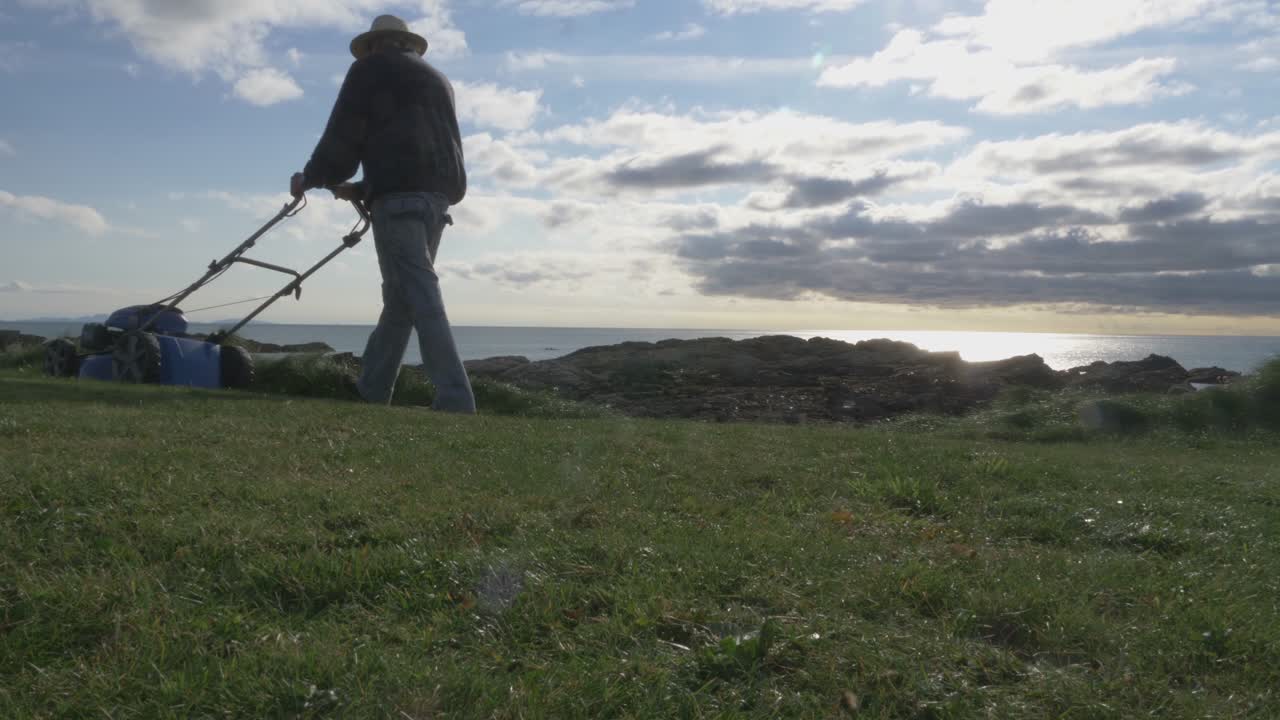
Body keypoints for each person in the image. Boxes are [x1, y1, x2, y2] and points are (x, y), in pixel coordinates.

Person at [290, 14, 476, 414]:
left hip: (399, 202)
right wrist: (359, 188)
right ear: (406, 42)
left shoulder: (370, 69)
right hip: (436, 200)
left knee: (421, 295)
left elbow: (346, 130)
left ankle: (456, 399)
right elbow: (412, 149)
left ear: (376, 44)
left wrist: (314, 176)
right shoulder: (437, 79)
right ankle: (371, 392)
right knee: (400, 302)